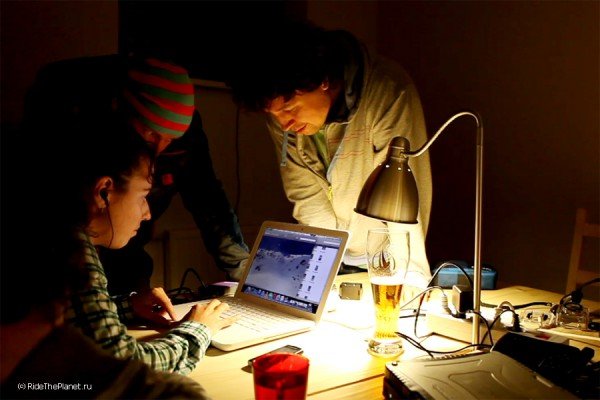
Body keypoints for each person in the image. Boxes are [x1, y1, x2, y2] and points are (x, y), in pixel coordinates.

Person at [0, 119, 217, 398]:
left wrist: (125, 306)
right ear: (103, 192)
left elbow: (78, 322)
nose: (148, 213)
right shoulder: (69, 249)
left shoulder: (46, 231)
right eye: (143, 195)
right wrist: (197, 330)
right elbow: (119, 364)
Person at [22, 55, 250, 296]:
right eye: (151, 133)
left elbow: (210, 203)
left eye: (170, 140)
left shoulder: (187, 143)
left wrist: (244, 274)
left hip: (128, 251)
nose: (158, 148)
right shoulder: (78, 135)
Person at [228, 19, 433, 285]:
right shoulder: (284, 121)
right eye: (274, 114)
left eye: (289, 108)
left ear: (322, 79)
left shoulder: (388, 91)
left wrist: (409, 278)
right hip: (335, 258)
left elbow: (404, 202)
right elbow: (306, 196)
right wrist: (318, 277)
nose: (284, 124)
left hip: (384, 260)